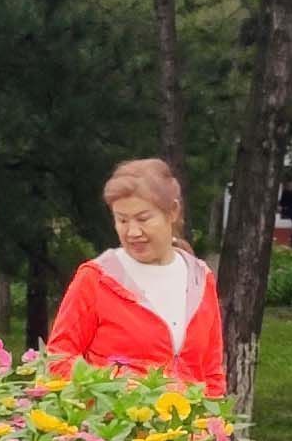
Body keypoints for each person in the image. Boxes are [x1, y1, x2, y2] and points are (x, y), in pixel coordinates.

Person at [44, 157, 225, 382]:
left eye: (143, 219)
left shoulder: (200, 278)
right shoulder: (95, 279)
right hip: (112, 417)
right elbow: (58, 361)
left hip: (187, 416)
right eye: (122, 220)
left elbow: (212, 374)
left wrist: (212, 416)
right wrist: (114, 389)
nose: (132, 232)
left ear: (172, 212)